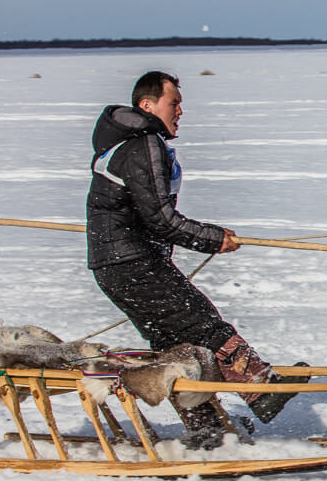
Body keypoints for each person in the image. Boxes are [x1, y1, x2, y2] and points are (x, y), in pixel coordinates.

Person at [86, 71, 298, 447]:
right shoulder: (144, 143)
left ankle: (205, 427)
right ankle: (263, 393)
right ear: (147, 105)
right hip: (134, 263)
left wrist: (208, 236)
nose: (181, 111)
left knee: (177, 351)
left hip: (115, 266)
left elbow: (141, 214)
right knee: (205, 328)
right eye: (174, 103)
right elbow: (161, 219)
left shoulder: (124, 144)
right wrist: (213, 239)